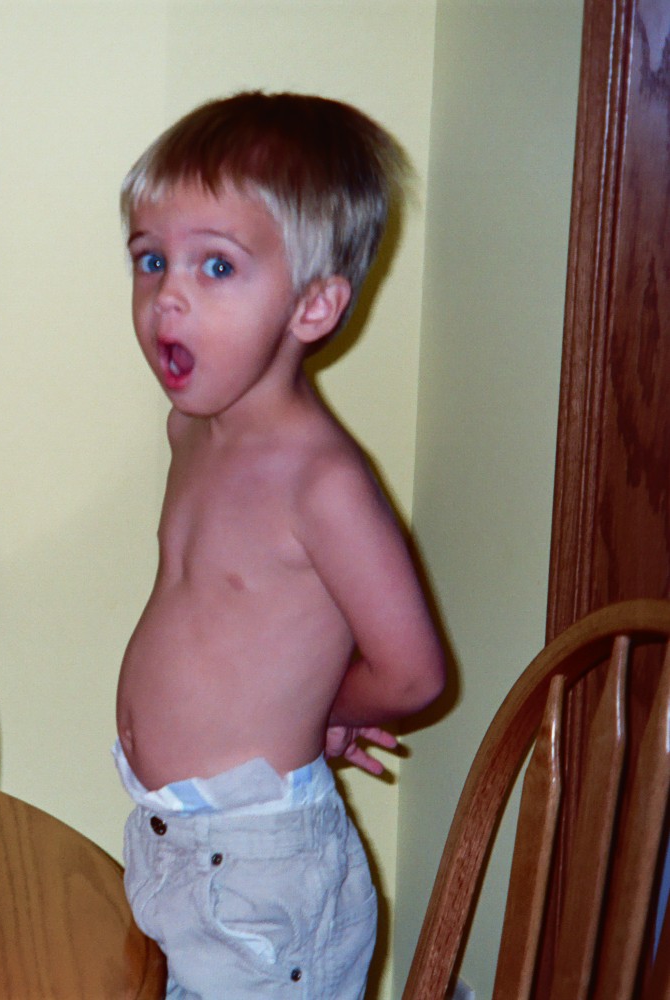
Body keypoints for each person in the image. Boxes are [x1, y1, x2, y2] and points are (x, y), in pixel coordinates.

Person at [114, 91, 447, 998]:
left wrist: (315, 711)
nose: (167, 295)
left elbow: (414, 672)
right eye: (152, 260)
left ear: (313, 307)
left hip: (261, 871)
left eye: (216, 266)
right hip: (177, 841)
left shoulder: (321, 483)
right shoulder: (194, 431)